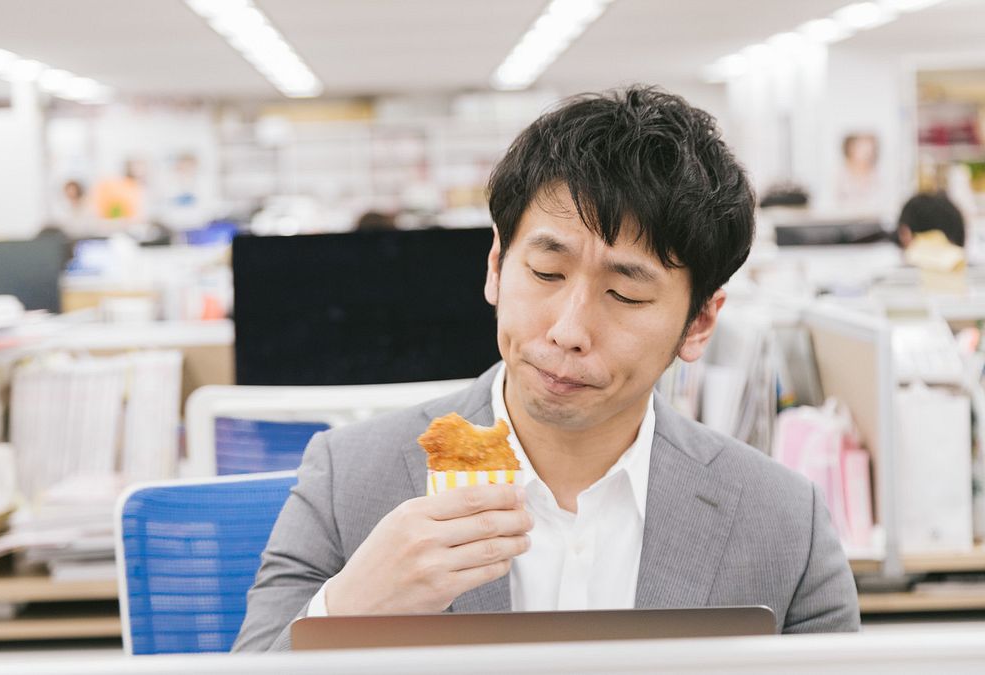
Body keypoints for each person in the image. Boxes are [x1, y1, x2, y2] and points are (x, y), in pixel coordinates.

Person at [233, 86, 860, 652]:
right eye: (545, 273)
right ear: (495, 268)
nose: (568, 330)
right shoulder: (349, 479)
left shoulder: (783, 522)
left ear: (698, 323)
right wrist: (348, 608)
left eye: (626, 294)